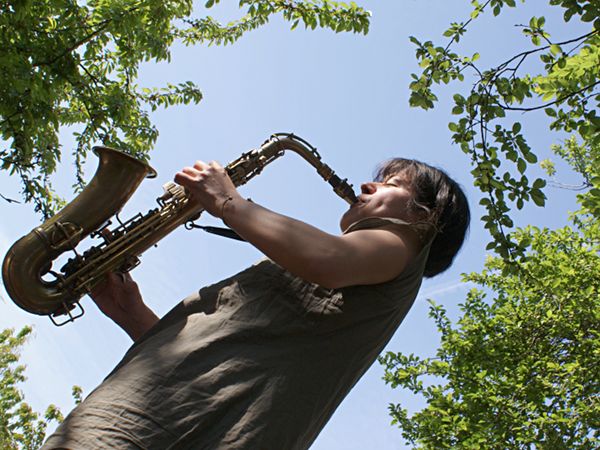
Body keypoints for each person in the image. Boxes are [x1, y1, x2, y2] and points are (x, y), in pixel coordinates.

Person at [41, 156, 470, 449]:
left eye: (392, 184)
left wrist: (229, 202)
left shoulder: (406, 243)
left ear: (426, 216)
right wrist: (131, 313)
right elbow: (227, 352)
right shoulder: (350, 274)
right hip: (152, 413)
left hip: (159, 428)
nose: (366, 184)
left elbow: (328, 260)